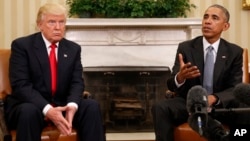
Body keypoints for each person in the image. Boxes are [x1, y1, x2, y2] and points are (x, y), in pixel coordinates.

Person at [4, 3, 105, 141]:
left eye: (61, 22)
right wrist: (48, 110)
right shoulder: (22, 46)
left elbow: (77, 82)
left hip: (61, 104)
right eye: (52, 22)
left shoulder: (73, 49)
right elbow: (21, 85)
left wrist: (71, 107)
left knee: (91, 107)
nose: (58, 27)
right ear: (40, 25)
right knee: (28, 112)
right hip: (31, 105)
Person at [151, 4, 250, 141]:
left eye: (214, 18)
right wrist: (180, 77)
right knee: (160, 107)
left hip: (219, 106)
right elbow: (171, 84)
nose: (208, 21)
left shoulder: (234, 52)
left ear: (225, 26)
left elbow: (235, 88)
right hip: (190, 104)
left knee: (244, 109)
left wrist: (213, 98)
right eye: (206, 17)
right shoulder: (186, 48)